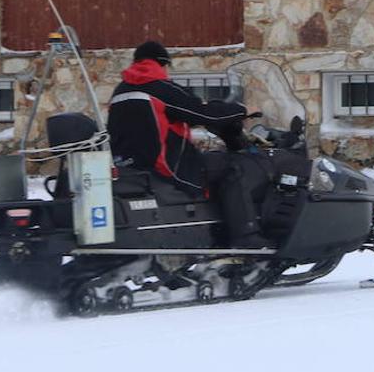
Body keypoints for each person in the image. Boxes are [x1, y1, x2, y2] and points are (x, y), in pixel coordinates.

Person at [107, 41, 271, 248]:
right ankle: (246, 236)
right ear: (162, 63)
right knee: (232, 168)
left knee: (213, 164)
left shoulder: (120, 91)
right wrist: (242, 110)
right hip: (167, 164)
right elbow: (201, 111)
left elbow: (166, 118)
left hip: (131, 167)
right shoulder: (159, 87)